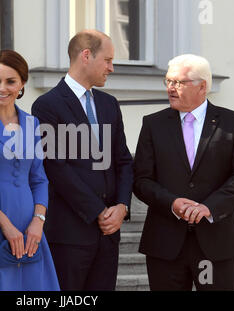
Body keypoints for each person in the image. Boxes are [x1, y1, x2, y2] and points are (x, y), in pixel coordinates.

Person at [133, 54, 234, 290]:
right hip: (165, 244)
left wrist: (208, 208)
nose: (171, 88)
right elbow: (141, 180)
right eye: (168, 81)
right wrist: (173, 203)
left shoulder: (232, 123)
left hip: (217, 243)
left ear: (203, 87)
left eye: (179, 82)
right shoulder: (153, 124)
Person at [31, 30, 134, 290]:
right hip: (69, 234)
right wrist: (97, 211)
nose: (111, 68)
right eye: (108, 60)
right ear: (86, 56)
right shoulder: (47, 105)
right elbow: (56, 168)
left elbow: (123, 160)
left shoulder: (109, 104)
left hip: (108, 234)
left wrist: (122, 206)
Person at [0, 50, 60, 291]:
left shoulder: (31, 123)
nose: (2, 88)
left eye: (10, 81)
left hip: (29, 224)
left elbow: (39, 179)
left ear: (22, 84)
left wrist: (38, 221)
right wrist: (6, 226)